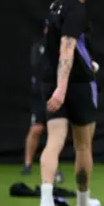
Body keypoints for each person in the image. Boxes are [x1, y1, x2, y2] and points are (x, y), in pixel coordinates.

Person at [37, 0, 102, 206]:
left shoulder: (57, 5)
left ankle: (46, 203)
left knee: (53, 142)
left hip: (50, 81)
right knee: (83, 145)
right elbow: (67, 48)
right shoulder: (75, 9)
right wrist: (63, 89)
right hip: (73, 86)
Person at [21, 23, 64, 183]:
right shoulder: (38, 47)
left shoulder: (62, 47)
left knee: (56, 132)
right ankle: (27, 163)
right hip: (40, 95)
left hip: (56, 95)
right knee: (37, 129)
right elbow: (38, 67)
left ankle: (55, 168)